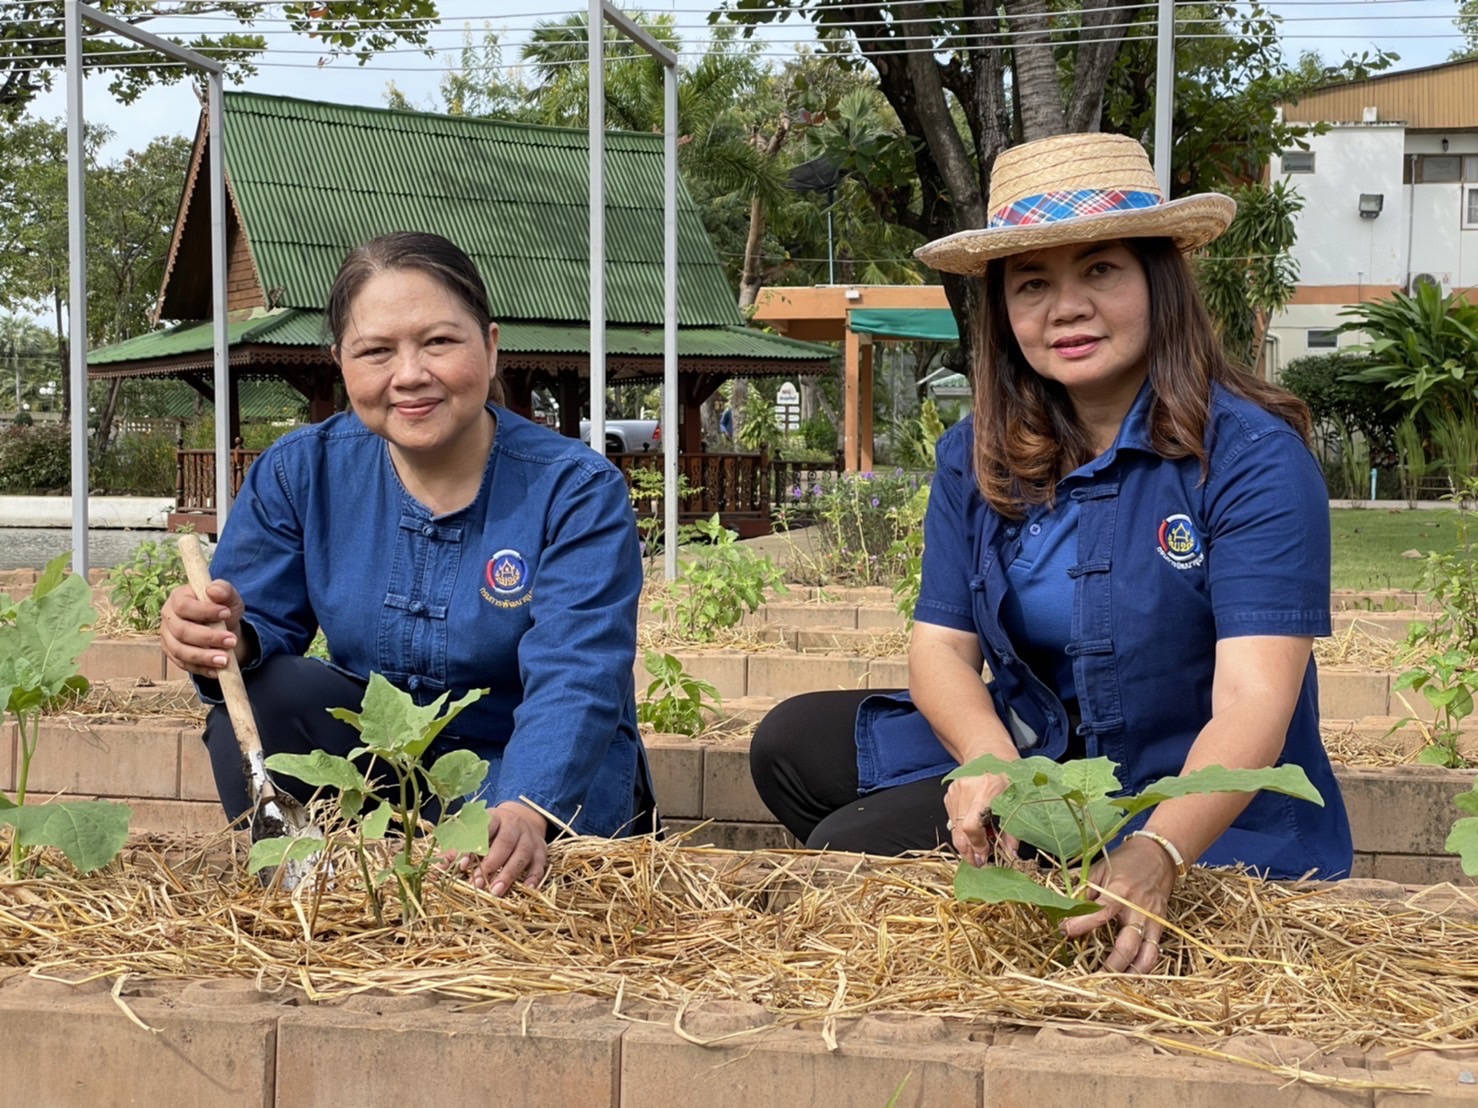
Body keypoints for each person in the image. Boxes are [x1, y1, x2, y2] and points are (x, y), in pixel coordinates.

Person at [749, 133, 1352, 971]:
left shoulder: (1248, 456)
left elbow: (1255, 697)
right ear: (1002, 309)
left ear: (1156, 280)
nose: (1066, 308)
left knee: (847, 845)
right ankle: (1017, 852)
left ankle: (1084, 878)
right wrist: (990, 757)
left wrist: (1162, 853)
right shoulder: (979, 449)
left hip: (1178, 788)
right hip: (1051, 765)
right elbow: (939, 648)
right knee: (792, 741)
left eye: (1100, 270)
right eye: (1034, 284)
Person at [161, 230, 655, 897]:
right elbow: (256, 629)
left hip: (528, 787)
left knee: (525, 877)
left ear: (490, 344)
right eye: (376, 351)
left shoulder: (573, 490)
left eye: (439, 342)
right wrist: (221, 635)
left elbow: (578, 673)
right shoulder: (300, 472)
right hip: (379, 768)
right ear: (342, 362)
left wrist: (525, 805)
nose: (410, 374)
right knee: (266, 695)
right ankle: (312, 886)